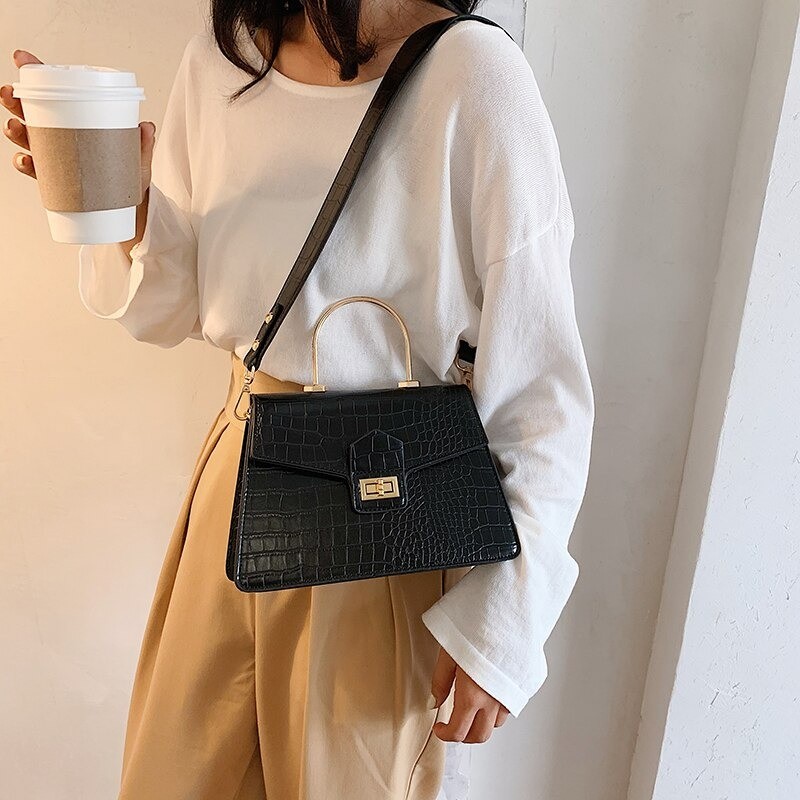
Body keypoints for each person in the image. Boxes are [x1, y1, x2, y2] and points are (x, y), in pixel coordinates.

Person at [2, 1, 595, 798]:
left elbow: (541, 389)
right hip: (235, 491)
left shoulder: (473, 76)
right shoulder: (225, 59)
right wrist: (129, 201)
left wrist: (504, 622)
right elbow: (171, 306)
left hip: (382, 515)